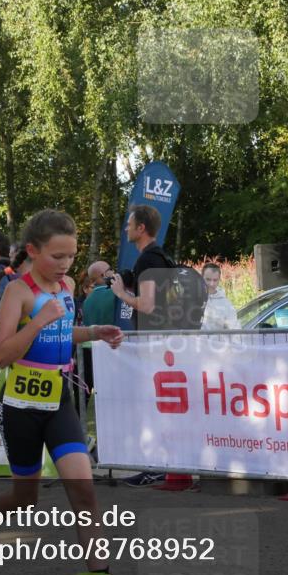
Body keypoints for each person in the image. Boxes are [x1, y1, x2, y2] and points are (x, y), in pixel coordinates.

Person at [0, 210, 139, 575]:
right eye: (57, 256)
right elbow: (2, 355)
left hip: (58, 402)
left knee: (84, 494)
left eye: (71, 256)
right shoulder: (18, 292)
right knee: (25, 498)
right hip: (19, 407)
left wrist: (95, 332)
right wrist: (37, 320)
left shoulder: (66, 288)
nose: (66, 265)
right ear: (33, 251)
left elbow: (62, 334)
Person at [109, 205, 169, 486]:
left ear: (141, 228)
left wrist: (121, 293)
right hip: (165, 339)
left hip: (154, 341)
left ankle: (156, 466)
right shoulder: (162, 257)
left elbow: (147, 305)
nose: (126, 228)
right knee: (161, 404)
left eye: (129, 223)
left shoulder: (148, 260)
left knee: (152, 404)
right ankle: (164, 465)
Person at [200, 263, 240, 331]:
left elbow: (235, 329)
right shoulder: (192, 299)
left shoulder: (226, 304)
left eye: (215, 280)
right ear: (201, 278)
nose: (211, 284)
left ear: (219, 280)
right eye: (208, 279)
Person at [82, 261, 117, 328]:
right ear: (104, 275)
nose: (113, 272)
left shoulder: (86, 302)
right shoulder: (116, 293)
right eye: (110, 269)